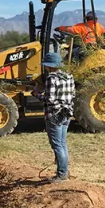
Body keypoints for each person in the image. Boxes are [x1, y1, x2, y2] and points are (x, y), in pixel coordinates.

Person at [32, 52, 75, 183]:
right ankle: (64, 171)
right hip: (66, 114)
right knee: (62, 143)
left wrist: (36, 94)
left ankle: (61, 174)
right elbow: (72, 95)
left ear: (48, 66)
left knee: (57, 145)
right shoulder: (69, 77)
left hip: (54, 114)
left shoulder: (52, 78)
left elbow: (49, 99)